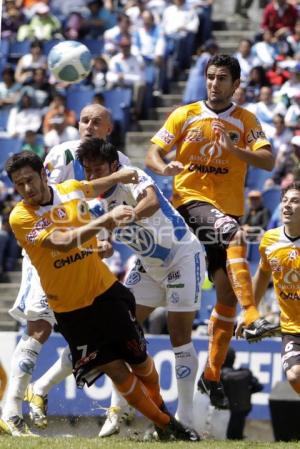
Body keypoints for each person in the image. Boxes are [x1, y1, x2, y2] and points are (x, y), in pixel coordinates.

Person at [2, 151, 199, 442]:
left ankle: (161, 414)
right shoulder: (21, 216)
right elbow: (64, 241)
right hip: (70, 311)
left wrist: (122, 176)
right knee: (116, 370)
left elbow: (92, 187)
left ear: (44, 174)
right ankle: (167, 424)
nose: (27, 189)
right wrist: (106, 221)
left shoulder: (69, 190)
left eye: (30, 180)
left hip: (105, 293)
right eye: (19, 185)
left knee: (141, 361)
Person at [145, 54, 279, 409]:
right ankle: (253, 318)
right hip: (189, 204)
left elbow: (268, 160)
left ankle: (212, 374)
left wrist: (235, 149)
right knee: (235, 237)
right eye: (210, 77)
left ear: (236, 84)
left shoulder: (246, 120)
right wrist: (166, 167)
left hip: (227, 211)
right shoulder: (185, 114)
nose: (214, 84)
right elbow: (152, 154)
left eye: (222, 78)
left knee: (226, 295)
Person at [0, 103, 130, 436]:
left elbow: (101, 201)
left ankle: (44, 391)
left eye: (95, 121)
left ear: (108, 129)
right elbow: (51, 209)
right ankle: (11, 406)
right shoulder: (60, 154)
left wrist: (104, 237)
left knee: (101, 332)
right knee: (40, 326)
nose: (87, 125)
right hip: (48, 251)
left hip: (85, 252)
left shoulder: (118, 161)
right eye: (83, 119)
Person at [76, 138, 205, 435]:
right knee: (117, 332)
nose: (94, 176)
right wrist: (104, 244)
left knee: (179, 336)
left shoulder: (133, 175)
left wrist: (128, 216)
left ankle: (185, 416)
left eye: (99, 169)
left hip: (181, 256)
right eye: (88, 171)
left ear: (113, 166)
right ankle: (116, 412)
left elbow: (151, 201)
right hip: (147, 267)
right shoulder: (92, 204)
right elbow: (103, 241)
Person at [253, 182, 300, 396]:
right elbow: (263, 274)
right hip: (292, 327)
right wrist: (250, 311)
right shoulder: (270, 239)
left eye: (295, 201)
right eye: (285, 201)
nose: (287, 206)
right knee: (294, 376)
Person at [221, 347, 263, 440]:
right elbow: (259, 387)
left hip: (225, 411)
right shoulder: (245, 373)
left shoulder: (219, 375)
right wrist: (246, 392)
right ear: (234, 359)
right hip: (243, 408)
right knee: (237, 426)